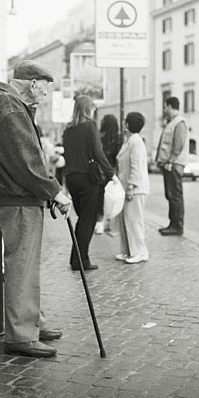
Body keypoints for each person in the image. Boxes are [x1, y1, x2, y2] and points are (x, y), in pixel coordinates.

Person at [0, 60, 71, 358]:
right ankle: (21, 334)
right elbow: (27, 163)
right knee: (22, 264)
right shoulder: (11, 108)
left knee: (26, 263)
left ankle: (32, 323)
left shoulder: (10, 106)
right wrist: (56, 191)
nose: (45, 93)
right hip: (17, 198)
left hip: (17, 196)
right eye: (45, 87)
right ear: (32, 83)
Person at [62, 95, 115, 271]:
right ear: (87, 108)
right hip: (87, 178)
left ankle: (76, 258)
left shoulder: (68, 129)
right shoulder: (90, 126)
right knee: (88, 220)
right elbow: (98, 153)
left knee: (82, 219)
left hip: (71, 179)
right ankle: (80, 261)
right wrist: (110, 173)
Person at [115, 112, 150, 263]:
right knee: (125, 220)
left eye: (125, 122)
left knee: (134, 220)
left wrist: (131, 186)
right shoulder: (129, 142)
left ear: (128, 125)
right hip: (126, 187)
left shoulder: (136, 143)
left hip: (134, 188)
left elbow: (137, 167)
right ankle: (127, 251)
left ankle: (140, 252)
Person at [155, 96, 189, 236]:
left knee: (175, 195)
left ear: (170, 106)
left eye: (165, 106)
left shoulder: (179, 123)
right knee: (171, 195)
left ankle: (177, 226)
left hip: (174, 164)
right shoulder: (172, 122)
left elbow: (178, 144)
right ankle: (172, 223)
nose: (164, 109)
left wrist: (170, 161)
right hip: (170, 164)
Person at [95, 114, 122, 235]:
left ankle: (99, 223)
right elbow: (118, 158)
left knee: (100, 198)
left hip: (98, 172)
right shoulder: (118, 139)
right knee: (112, 198)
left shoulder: (98, 137)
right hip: (111, 173)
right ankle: (109, 224)